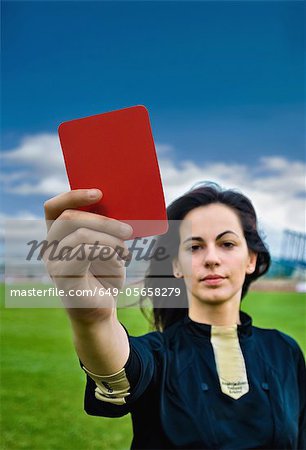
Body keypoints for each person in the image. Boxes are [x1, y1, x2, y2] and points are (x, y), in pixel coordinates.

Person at [43, 183, 306, 450]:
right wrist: (94, 319)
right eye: (194, 247)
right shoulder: (159, 355)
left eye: (227, 243)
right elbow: (121, 369)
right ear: (176, 266)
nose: (212, 258)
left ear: (251, 259)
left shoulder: (286, 352)